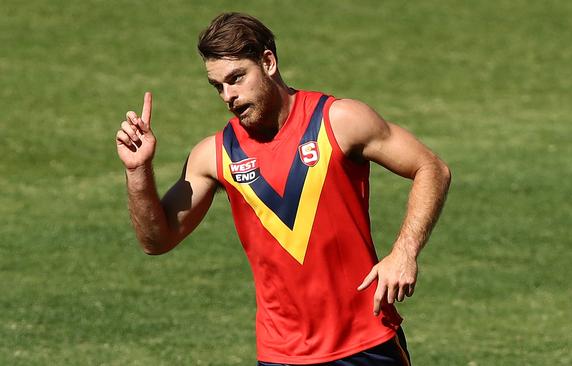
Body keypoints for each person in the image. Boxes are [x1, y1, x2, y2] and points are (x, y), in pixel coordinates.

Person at [115, 12, 450, 366]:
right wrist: (139, 171)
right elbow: (156, 240)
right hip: (282, 354)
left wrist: (404, 252)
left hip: (365, 344)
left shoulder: (338, 121)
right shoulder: (214, 156)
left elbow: (431, 167)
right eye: (218, 86)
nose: (228, 96)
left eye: (237, 78)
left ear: (268, 62)